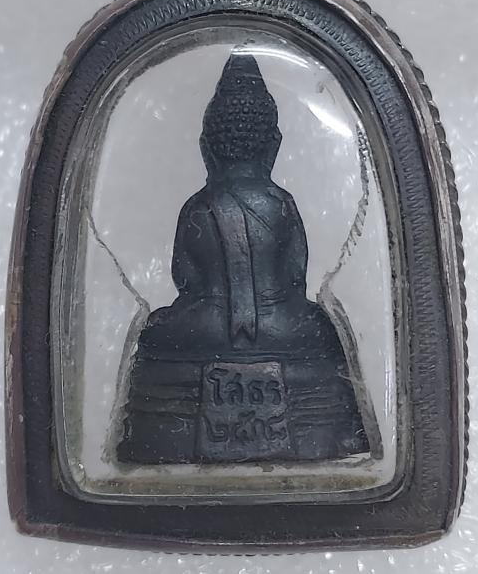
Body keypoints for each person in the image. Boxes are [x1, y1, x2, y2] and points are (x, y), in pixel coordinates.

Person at [117, 51, 369, 464]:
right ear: (273, 145)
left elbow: (185, 277)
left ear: (207, 148)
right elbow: (294, 276)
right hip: (284, 330)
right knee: (325, 328)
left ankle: (165, 433)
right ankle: (323, 431)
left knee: (155, 330)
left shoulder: (197, 206)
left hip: (204, 329)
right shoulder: (281, 204)